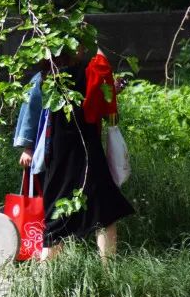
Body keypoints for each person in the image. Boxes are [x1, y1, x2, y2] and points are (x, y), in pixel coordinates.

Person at [13, 39, 134, 260]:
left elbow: (98, 98)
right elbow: (32, 112)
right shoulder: (50, 78)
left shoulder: (77, 74)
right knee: (82, 213)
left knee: (97, 211)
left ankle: (105, 271)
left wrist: (109, 90)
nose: (83, 48)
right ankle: (57, 272)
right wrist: (28, 147)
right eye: (78, 43)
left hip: (75, 154)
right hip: (71, 153)